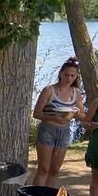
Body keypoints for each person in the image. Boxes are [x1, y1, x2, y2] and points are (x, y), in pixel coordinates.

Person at [32, 58, 86, 187]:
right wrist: (53, 118)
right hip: (47, 130)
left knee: (55, 170)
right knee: (44, 169)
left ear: (76, 76)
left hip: (64, 131)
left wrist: (76, 113)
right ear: (61, 73)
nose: (69, 78)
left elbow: (82, 116)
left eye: (72, 76)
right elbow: (36, 113)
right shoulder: (49, 90)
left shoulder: (76, 93)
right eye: (66, 75)